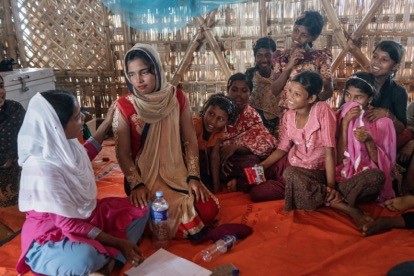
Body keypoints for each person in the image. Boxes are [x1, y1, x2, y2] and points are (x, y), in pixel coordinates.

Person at [16, 91, 149, 275]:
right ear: (57, 125)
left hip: (87, 218)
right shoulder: (42, 170)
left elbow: (83, 157)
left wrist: (107, 122)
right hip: (53, 235)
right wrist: (119, 242)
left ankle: (108, 260)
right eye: (77, 117)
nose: (84, 117)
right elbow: (69, 225)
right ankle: (112, 255)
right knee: (84, 258)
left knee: (142, 208)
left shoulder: (64, 145)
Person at [113, 43, 219, 242]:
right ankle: (180, 227)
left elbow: (189, 140)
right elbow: (123, 153)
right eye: (132, 74)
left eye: (144, 72)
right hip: (143, 179)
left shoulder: (177, 97)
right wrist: (136, 185)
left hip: (177, 174)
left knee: (208, 209)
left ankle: (171, 226)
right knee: (143, 214)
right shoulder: (124, 106)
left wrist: (194, 176)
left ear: (156, 69)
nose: (139, 80)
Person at [253, 71, 337, 207]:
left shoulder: (322, 110)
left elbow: (329, 152)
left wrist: (331, 186)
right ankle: (298, 190)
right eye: (290, 91)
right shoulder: (288, 116)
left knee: (287, 176)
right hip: (293, 166)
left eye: (297, 94)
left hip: (315, 171)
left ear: (311, 98)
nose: (289, 97)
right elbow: (282, 148)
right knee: (256, 188)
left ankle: (309, 191)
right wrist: (262, 165)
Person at [331, 72, 394, 227]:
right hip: (341, 178)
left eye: (358, 97)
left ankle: (336, 201)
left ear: (370, 99)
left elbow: (383, 166)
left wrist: (368, 141)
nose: (351, 102)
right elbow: (337, 160)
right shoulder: (337, 117)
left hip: (362, 180)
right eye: (348, 95)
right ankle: (345, 204)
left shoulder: (382, 123)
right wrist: (345, 125)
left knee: (376, 177)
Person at [220, 73, 277, 193]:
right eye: (234, 90)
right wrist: (219, 155)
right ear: (228, 90)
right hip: (216, 158)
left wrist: (236, 148)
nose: (238, 95)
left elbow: (266, 144)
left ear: (250, 93)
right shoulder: (219, 110)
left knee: (254, 163)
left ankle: (240, 184)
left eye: (244, 90)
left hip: (239, 161)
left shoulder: (253, 116)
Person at [271, 10, 333, 120]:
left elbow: (329, 91)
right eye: (296, 30)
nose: (297, 37)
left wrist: (308, 104)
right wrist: (288, 67)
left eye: (304, 35)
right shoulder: (281, 57)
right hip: (286, 116)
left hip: (311, 117)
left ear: (313, 37)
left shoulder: (320, 58)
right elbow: (275, 90)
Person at [193, 93, 237, 193]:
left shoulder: (220, 132)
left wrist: (216, 184)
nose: (213, 121)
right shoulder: (195, 124)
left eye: (220, 119)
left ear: (227, 122)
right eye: (211, 114)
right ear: (205, 110)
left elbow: (214, 155)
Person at [366, 40, 407, 136]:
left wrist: (388, 115)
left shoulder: (398, 92)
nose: (376, 62)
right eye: (375, 57)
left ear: (395, 66)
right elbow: (342, 110)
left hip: (383, 141)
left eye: (384, 60)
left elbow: (401, 128)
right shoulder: (358, 81)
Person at [246, 37, 280, 136]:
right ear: (255, 57)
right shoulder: (250, 75)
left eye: (268, 55)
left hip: (277, 123)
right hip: (254, 122)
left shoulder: (280, 76)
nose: (264, 59)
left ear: (274, 56)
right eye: (259, 55)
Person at [0, 75, 26, 207]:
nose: (0, 92)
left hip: (20, 174)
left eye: (1, 86)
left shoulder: (15, 109)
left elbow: (32, 137)